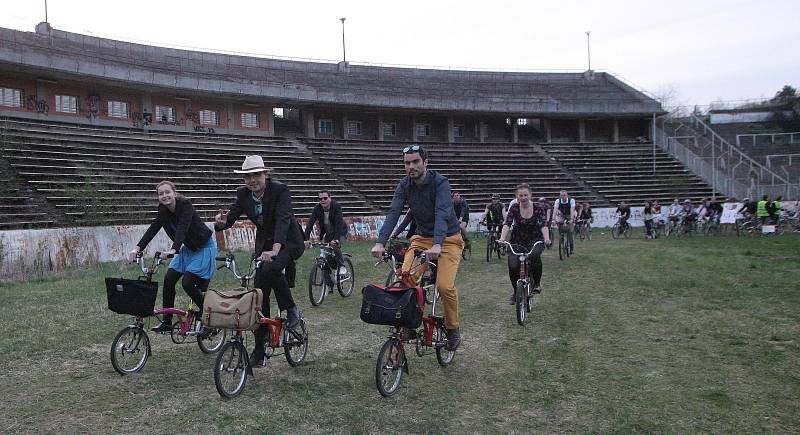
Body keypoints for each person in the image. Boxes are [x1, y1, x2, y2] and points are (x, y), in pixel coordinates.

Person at [371, 145, 464, 351]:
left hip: (448, 239)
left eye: (415, 162)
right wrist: (380, 241)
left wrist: (438, 243)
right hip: (421, 239)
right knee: (405, 279)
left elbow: (442, 213)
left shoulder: (440, 183)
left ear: (425, 162)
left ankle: (452, 328)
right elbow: (394, 212)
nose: (411, 166)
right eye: (407, 163)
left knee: (444, 286)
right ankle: (409, 324)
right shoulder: (404, 185)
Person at [214, 155, 305, 366]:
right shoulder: (243, 194)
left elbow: (283, 220)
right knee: (259, 296)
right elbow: (232, 217)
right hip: (264, 244)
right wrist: (220, 223)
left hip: (289, 241)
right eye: (247, 176)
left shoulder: (280, 190)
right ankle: (259, 349)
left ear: (265, 174)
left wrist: (275, 249)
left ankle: (291, 309)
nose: (252, 180)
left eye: (256, 175)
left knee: (271, 268)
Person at [129, 181, 217, 336]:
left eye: (167, 192)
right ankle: (167, 321)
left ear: (174, 192)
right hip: (189, 249)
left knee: (188, 283)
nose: (164, 196)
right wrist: (137, 248)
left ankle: (211, 320)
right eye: (161, 194)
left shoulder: (185, 205)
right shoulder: (163, 210)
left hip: (203, 247)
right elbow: (154, 228)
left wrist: (173, 250)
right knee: (169, 279)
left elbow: (182, 228)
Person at [500, 184, 551, 304]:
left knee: (535, 256)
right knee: (513, 266)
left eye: (525, 195)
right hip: (517, 240)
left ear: (530, 195)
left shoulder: (538, 207)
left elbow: (543, 225)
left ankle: (537, 284)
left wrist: (547, 238)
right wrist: (502, 238)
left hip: (535, 239)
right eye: (520, 195)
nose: (523, 197)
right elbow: (507, 223)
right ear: (517, 196)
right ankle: (516, 292)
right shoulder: (514, 208)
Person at [304, 190, 349, 283]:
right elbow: (310, 224)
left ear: (330, 198)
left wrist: (336, 239)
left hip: (340, 232)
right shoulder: (317, 209)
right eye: (320, 199)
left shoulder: (336, 206)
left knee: (335, 245)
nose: (323, 200)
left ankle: (342, 266)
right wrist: (305, 239)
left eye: (325, 198)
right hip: (328, 234)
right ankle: (329, 285)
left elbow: (338, 224)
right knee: (325, 257)